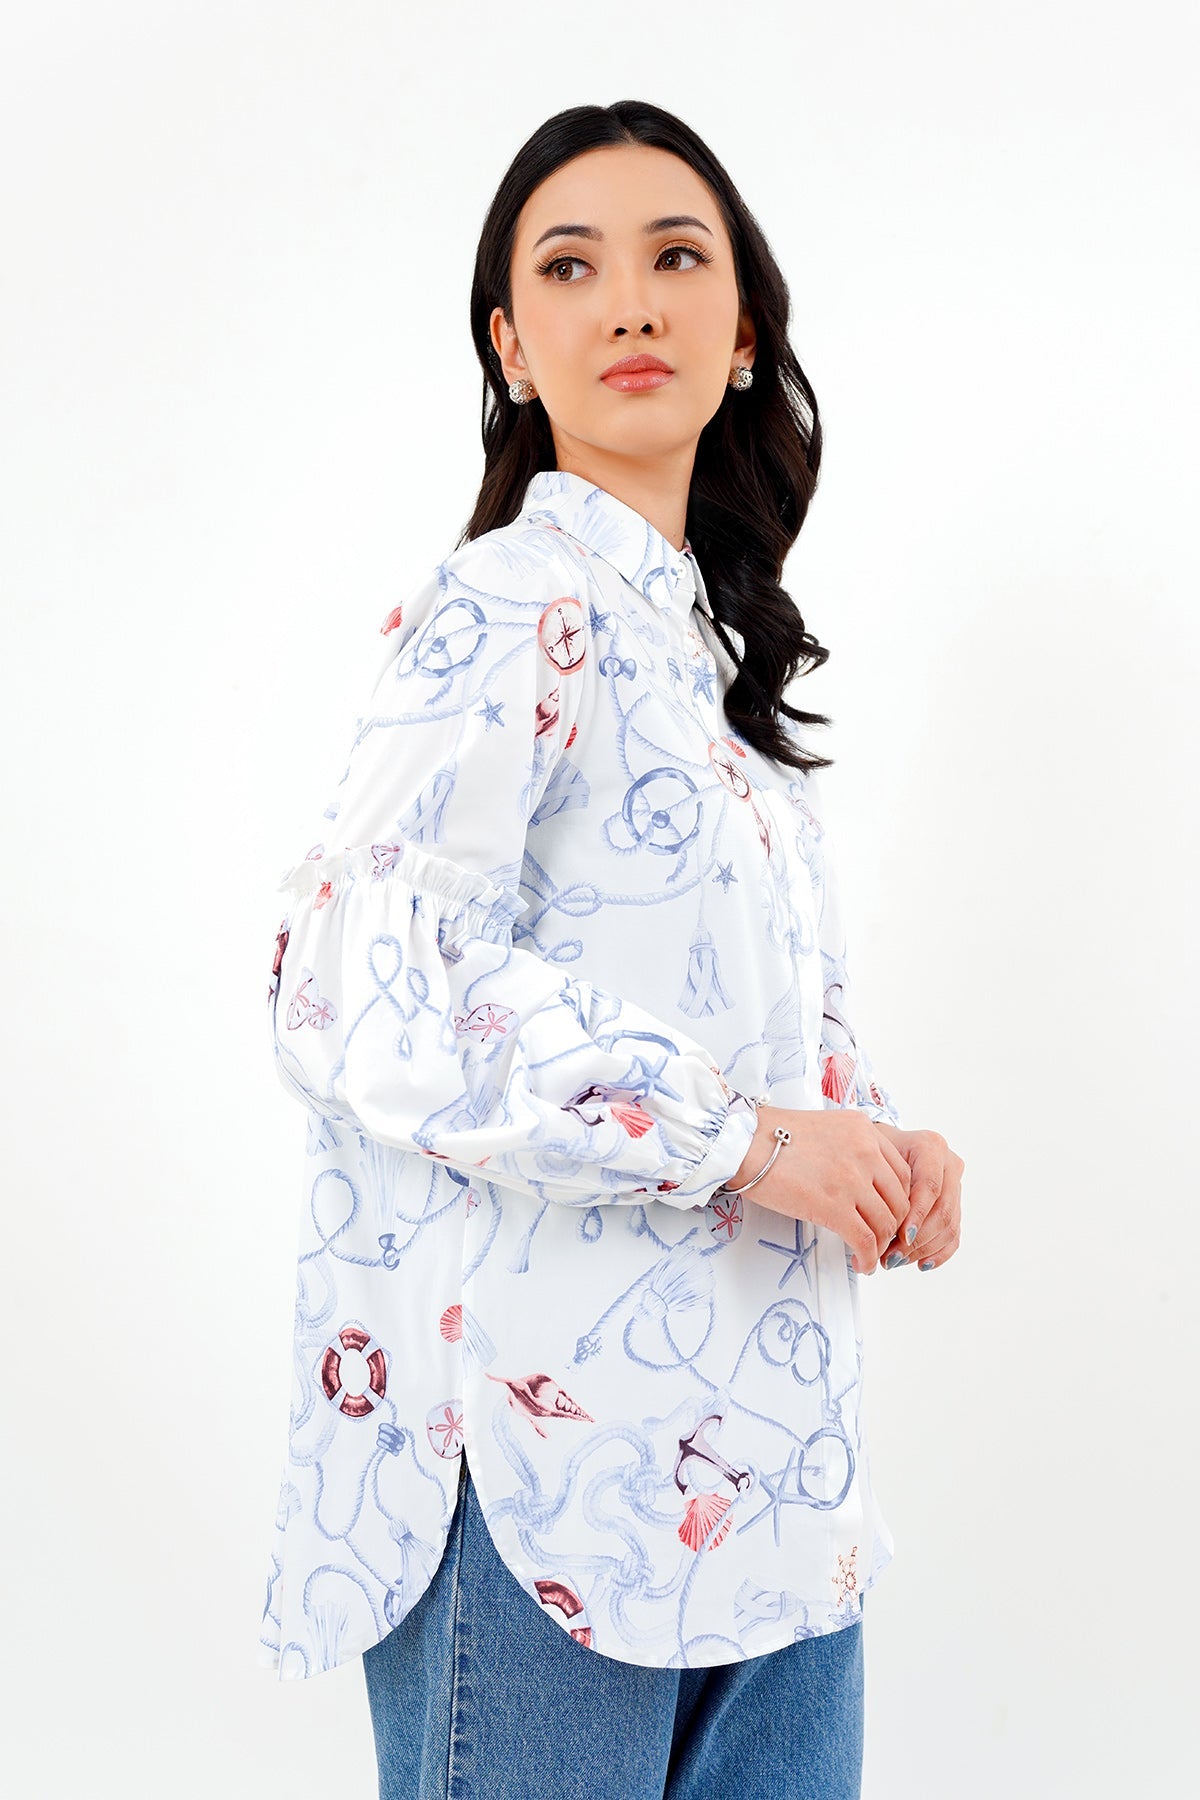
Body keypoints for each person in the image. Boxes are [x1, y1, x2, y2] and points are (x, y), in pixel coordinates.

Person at [259, 99, 964, 1800]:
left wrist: (876, 1146)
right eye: (570, 268)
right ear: (511, 349)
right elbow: (357, 980)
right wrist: (755, 1142)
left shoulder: (716, 676)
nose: (632, 303)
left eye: (677, 258)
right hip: (546, 1488)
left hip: (773, 1487)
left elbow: (751, 1027)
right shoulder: (510, 602)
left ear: (745, 334)